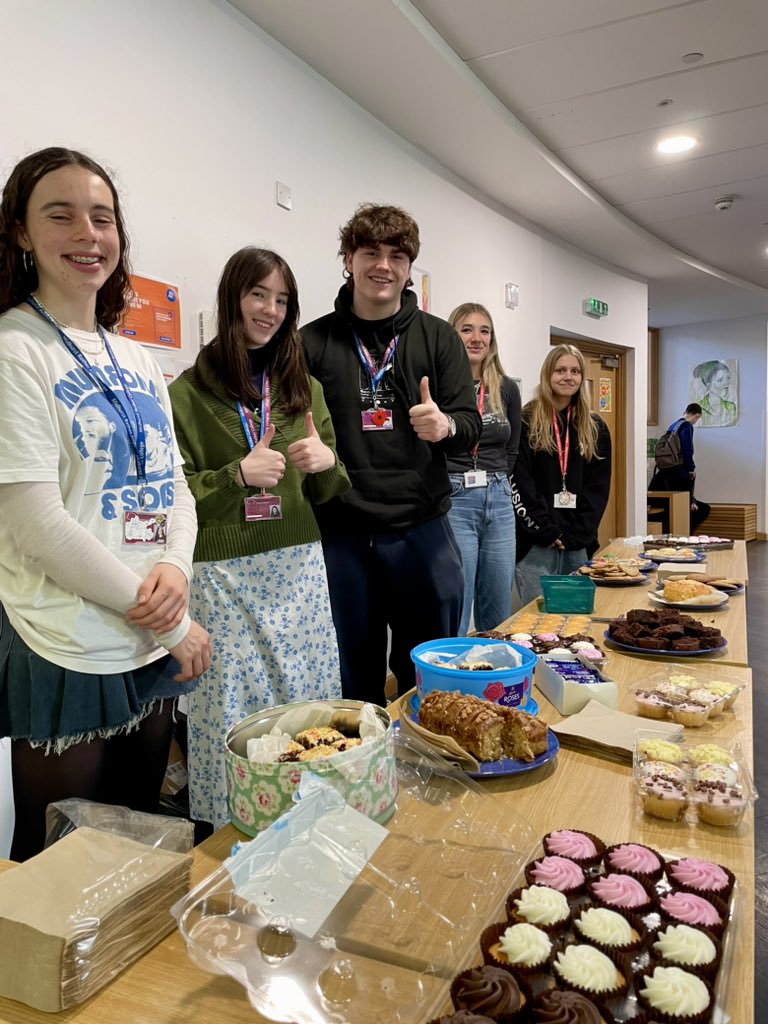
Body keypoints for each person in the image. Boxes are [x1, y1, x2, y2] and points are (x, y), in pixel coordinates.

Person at [0, 147, 211, 860]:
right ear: (22, 233)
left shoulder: (138, 358)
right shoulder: (13, 350)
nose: (87, 233)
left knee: (137, 843)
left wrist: (176, 576)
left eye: (102, 216)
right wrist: (172, 621)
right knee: (57, 862)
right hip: (67, 643)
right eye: (59, 215)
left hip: (145, 633)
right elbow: (36, 524)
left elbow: (174, 486)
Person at [169, 247, 350, 829]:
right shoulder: (187, 394)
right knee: (231, 710)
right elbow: (176, 495)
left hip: (298, 569)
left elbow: (328, 491)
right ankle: (231, 835)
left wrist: (326, 464)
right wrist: (237, 476)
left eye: (282, 300)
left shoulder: (304, 390)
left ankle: (314, 819)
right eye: (258, 295)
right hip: (223, 578)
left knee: (306, 701)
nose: (270, 310)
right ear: (232, 299)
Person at [302, 203, 481, 704]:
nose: (383, 265)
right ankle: (361, 776)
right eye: (370, 252)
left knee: (430, 672)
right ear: (349, 258)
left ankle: (429, 772)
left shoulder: (437, 335)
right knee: (349, 675)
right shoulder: (312, 342)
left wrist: (445, 425)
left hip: (420, 528)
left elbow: (471, 426)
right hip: (341, 532)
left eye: (397, 256)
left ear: (409, 267)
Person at [512, 344, 612, 605]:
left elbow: (598, 488)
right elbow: (520, 483)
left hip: (578, 543)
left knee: (575, 617)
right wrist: (547, 530)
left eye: (575, 371)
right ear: (548, 374)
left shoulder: (595, 427)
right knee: (537, 617)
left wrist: (579, 534)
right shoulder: (526, 420)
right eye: (560, 370)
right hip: (535, 541)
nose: (568, 377)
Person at [445, 303, 521, 635]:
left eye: (484, 331)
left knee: (498, 603)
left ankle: (496, 680)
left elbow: (513, 448)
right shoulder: (440, 386)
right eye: (467, 329)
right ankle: (451, 681)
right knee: (458, 599)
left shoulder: (506, 388)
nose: (477, 338)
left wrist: (497, 480)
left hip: (500, 497)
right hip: (455, 496)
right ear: (452, 335)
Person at [649, 402, 711, 531]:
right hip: (679, 473)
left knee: (677, 506)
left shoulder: (674, 425)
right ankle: (686, 534)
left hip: (666, 473)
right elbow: (687, 449)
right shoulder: (687, 426)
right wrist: (691, 469)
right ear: (697, 416)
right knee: (700, 509)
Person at [693, 360, 737, 427]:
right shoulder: (699, 407)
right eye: (720, 380)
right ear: (708, 385)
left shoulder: (731, 407)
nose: (726, 383)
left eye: (727, 378)